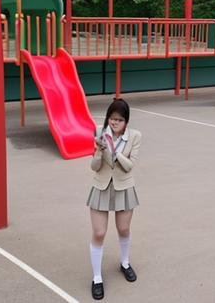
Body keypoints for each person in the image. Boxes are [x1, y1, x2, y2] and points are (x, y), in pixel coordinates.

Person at [87, 98, 142, 300]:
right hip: (101, 186)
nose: (114, 123)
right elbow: (94, 167)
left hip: (124, 187)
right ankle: (97, 278)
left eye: (118, 120)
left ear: (126, 121)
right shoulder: (100, 134)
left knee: (124, 229)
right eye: (111, 119)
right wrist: (99, 153)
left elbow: (129, 166)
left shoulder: (135, 136)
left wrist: (115, 152)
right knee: (99, 232)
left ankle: (125, 263)